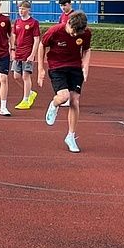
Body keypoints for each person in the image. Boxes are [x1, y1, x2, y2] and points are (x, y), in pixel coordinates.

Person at [38, 10, 92, 153]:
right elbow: (42, 45)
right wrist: (41, 69)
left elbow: (86, 50)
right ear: (68, 22)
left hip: (75, 67)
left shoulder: (85, 33)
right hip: (57, 67)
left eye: (77, 34)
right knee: (63, 97)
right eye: (72, 32)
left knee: (74, 101)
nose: (74, 35)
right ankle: (54, 104)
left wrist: (85, 66)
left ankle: (71, 136)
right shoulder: (55, 31)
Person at [11, 0, 41, 109]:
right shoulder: (17, 22)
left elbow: (36, 39)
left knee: (25, 76)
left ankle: (25, 99)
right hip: (18, 52)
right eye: (19, 9)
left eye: (23, 9)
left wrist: (33, 54)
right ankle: (30, 92)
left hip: (27, 52)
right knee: (16, 76)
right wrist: (13, 49)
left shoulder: (33, 23)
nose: (21, 11)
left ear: (28, 10)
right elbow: (14, 36)